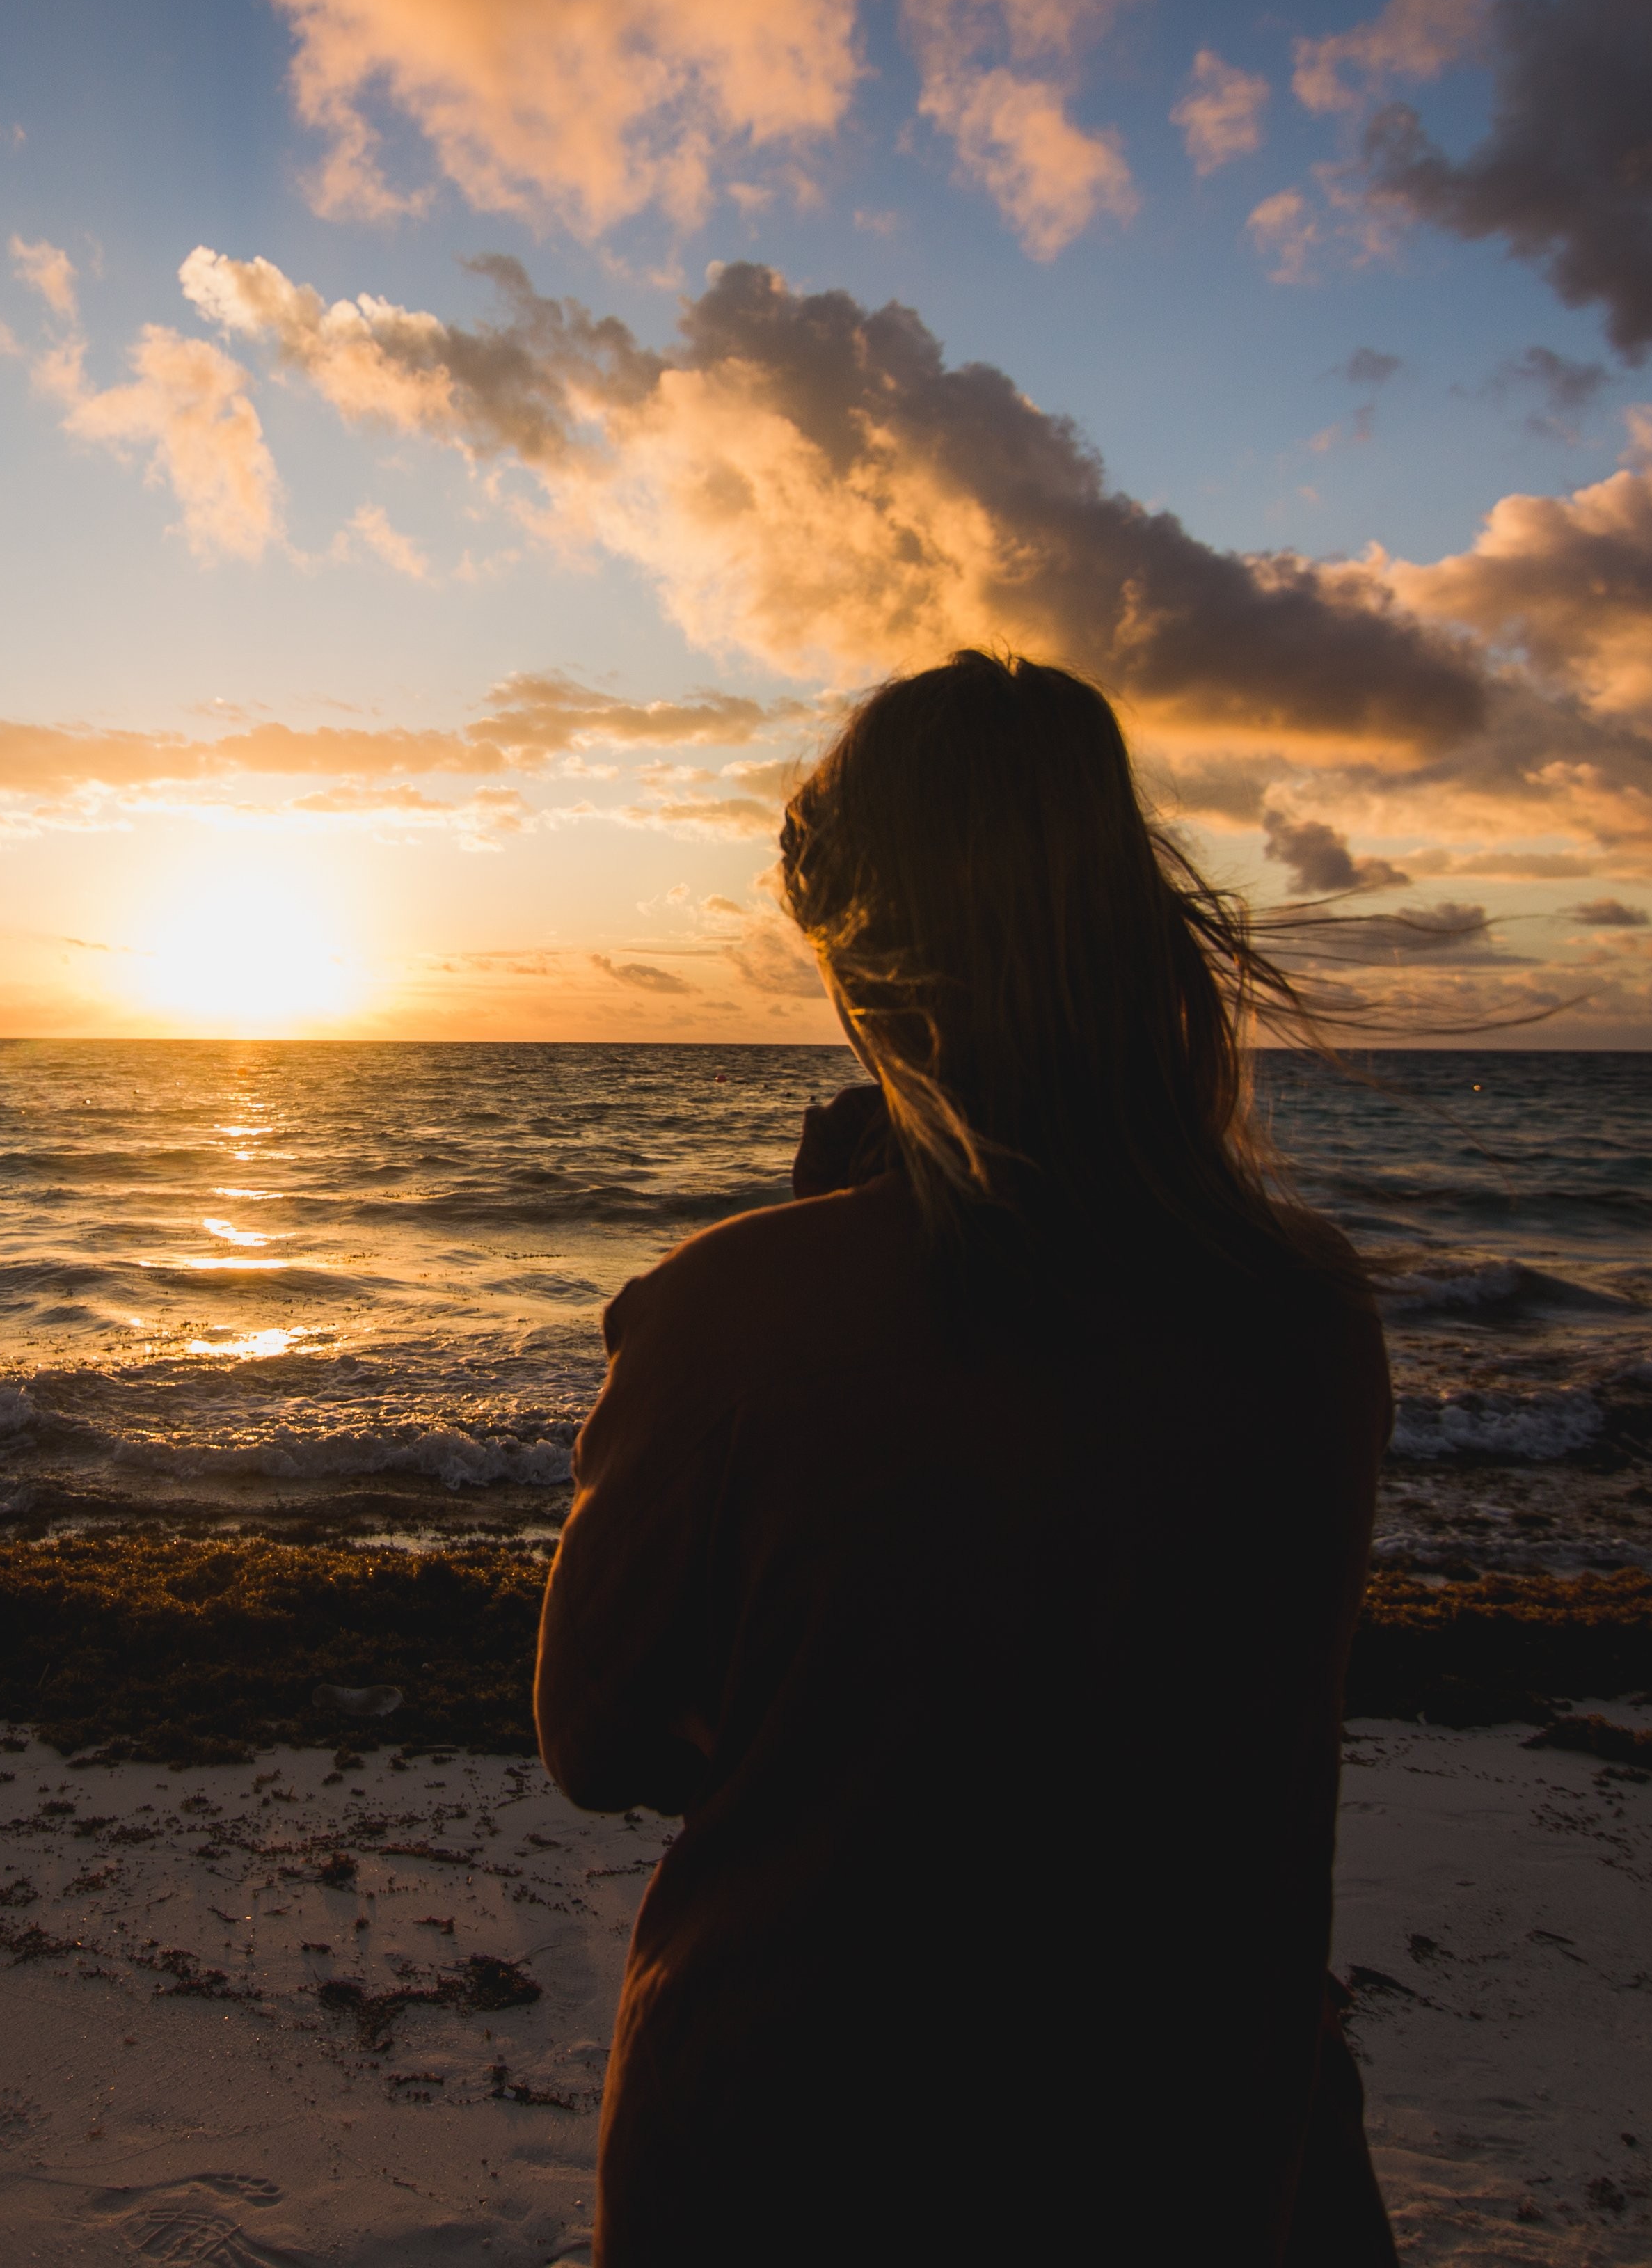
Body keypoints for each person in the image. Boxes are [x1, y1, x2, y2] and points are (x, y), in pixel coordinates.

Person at [534, 651, 1397, 2264]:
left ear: (863, 955)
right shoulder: (1308, 1311)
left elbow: (600, 1733)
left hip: (788, 2152)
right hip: (1192, 2156)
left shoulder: (733, 1312)